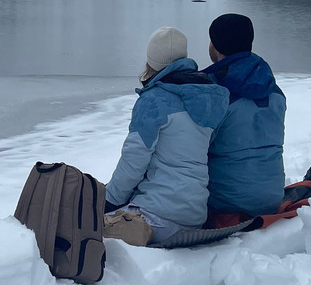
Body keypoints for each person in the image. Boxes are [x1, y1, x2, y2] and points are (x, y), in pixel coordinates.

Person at [103, 26, 229, 246]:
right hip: (195, 213)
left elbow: (133, 161)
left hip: (156, 214)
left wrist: (110, 200)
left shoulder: (154, 100)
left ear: (151, 61)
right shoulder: (209, 96)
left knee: (84, 227)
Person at [203, 13, 287, 221]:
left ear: (216, 45)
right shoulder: (275, 91)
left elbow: (191, 151)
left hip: (225, 203)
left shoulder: (214, 93)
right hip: (272, 198)